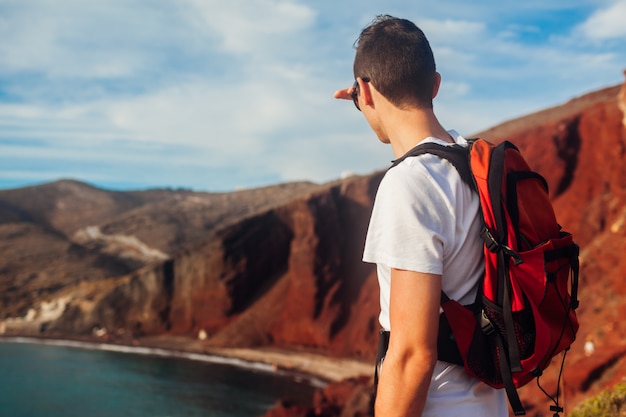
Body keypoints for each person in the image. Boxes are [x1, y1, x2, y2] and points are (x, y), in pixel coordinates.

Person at [333, 15, 508, 417]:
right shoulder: (474, 167)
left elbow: (412, 355)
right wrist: (369, 94)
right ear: (436, 85)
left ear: (363, 90)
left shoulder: (410, 184)